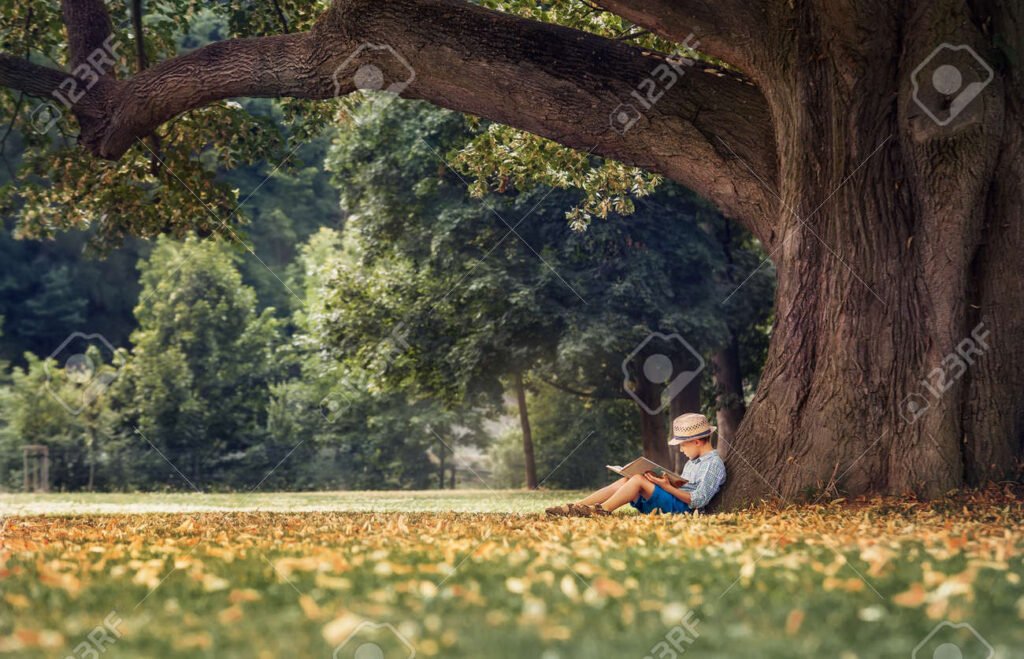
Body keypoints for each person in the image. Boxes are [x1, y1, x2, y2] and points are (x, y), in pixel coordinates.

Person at [545, 413, 726, 517]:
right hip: (675, 501)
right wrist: (664, 482)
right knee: (628, 480)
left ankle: (601, 511)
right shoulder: (693, 462)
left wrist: (666, 487)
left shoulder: (713, 464)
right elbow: (685, 487)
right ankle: (576, 507)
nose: (680, 449)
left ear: (696, 442)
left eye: (683, 444)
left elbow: (699, 500)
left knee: (638, 480)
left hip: (685, 510)